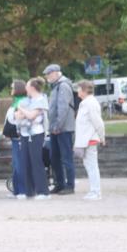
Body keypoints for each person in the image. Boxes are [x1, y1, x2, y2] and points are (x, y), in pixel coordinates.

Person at [15, 78, 51, 200]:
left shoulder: (41, 100)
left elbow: (31, 116)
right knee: (26, 162)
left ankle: (43, 192)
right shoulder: (27, 100)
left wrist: (22, 111)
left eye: (27, 86)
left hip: (36, 134)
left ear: (32, 88)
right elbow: (17, 116)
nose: (25, 88)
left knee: (37, 162)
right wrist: (23, 113)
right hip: (25, 134)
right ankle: (29, 191)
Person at [43, 64, 76, 195]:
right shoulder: (56, 86)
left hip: (63, 128)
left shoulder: (63, 86)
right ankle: (60, 184)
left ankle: (70, 185)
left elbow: (63, 108)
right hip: (55, 128)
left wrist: (58, 126)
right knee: (54, 157)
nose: (47, 77)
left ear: (56, 73)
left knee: (66, 158)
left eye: (49, 74)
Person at [74, 80, 106, 200]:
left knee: (92, 166)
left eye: (78, 89)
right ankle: (94, 190)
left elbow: (98, 122)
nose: (77, 91)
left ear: (84, 90)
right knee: (89, 166)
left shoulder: (90, 103)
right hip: (85, 140)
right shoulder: (85, 103)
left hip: (90, 140)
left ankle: (96, 192)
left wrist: (102, 137)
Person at [3, 80, 27, 199]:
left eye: (13, 87)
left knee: (19, 164)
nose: (11, 89)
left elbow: (17, 120)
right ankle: (17, 190)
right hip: (14, 137)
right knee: (16, 163)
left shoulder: (21, 102)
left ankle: (22, 190)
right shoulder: (15, 102)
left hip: (19, 136)